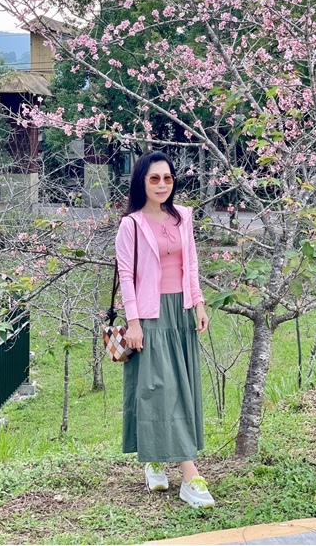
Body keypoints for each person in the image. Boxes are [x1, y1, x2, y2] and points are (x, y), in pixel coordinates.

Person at [115, 151, 214, 509]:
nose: (161, 185)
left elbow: (191, 265)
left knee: (180, 390)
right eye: (154, 178)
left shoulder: (182, 217)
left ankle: (156, 457)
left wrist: (199, 303)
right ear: (141, 180)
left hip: (182, 313)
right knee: (160, 389)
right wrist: (134, 323)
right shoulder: (132, 224)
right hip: (150, 316)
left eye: (167, 178)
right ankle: (190, 475)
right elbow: (127, 276)